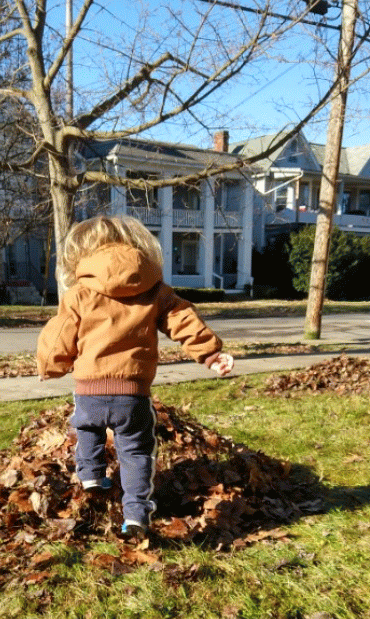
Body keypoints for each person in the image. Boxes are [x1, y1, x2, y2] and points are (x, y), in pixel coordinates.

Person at [36, 215, 233, 539]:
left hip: (89, 390)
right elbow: (183, 320)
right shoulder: (155, 291)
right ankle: (136, 514)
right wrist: (210, 354)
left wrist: (50, 366)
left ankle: (90, 473)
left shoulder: (79, 294)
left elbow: (59, 335)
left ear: (81, 253)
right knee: (137, 452)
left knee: (86, 426)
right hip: (133, 393)